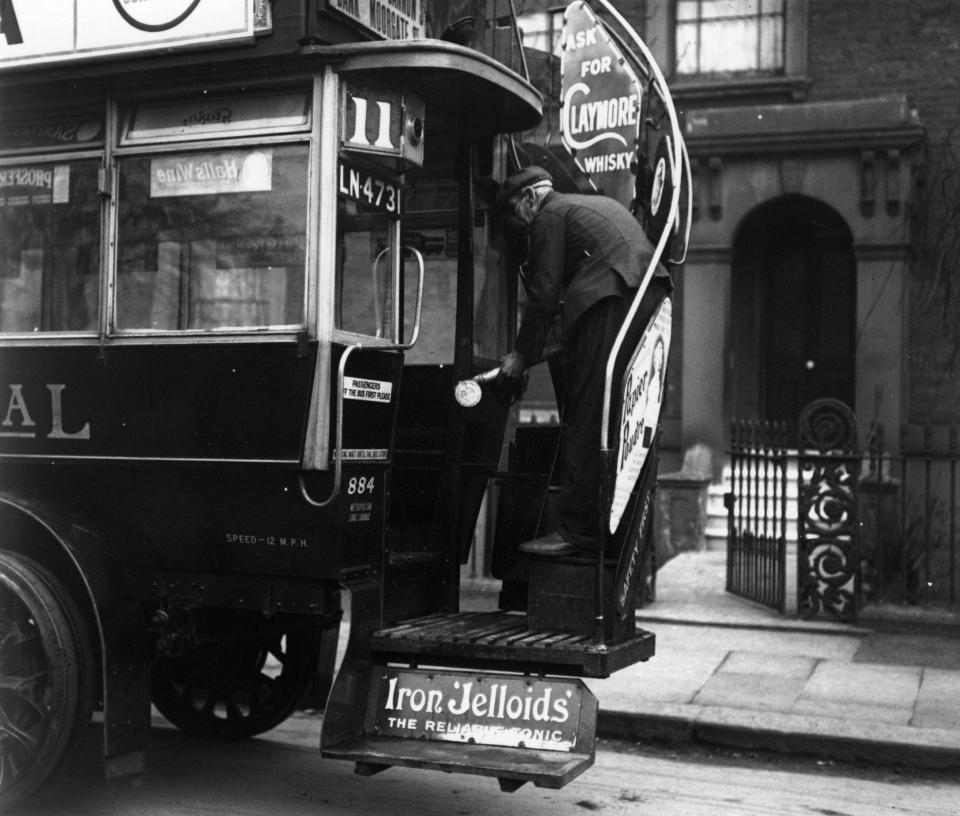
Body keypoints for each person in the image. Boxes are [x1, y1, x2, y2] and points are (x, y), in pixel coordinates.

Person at [496, 165, 671, 556]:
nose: (517, 225)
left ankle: (577, 532)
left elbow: (541, 297)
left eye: (513, 213)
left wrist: (521, 356)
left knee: (586, 408)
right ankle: (613, 530)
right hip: (648, 293)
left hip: (612, 297)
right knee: (620, 413)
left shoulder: (549, 216)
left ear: (529, 198)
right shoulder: (590, 205)